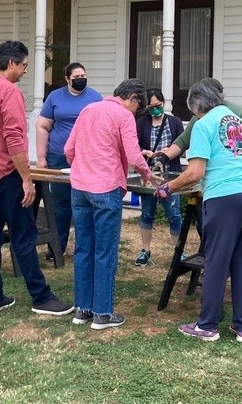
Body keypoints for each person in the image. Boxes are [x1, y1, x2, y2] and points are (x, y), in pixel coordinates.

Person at [154, 81, 242, 342]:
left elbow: (195, 173)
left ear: (195, 106)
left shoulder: (202, 125)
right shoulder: (236, 120)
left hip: (226, 198)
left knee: (216, 262)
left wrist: (168, 187)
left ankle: (207, 326)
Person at [0, 40, 73, 316]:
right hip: (6, 174)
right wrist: (26, 179)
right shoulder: (9, 92)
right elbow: (14, 139)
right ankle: (41, 297)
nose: (25, 71)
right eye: (24, 65)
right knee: (24, 235)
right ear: (11, 63)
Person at [64, 78, 161, 330]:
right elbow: (132, 153)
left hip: (79, 188)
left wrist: (83, 168)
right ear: (133, 99)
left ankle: (82, 310)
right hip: (106, 188)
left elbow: (69, 149)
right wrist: (147, 173)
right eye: (138, 107)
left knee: (83, 249)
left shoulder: (88, 109)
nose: (137, 112)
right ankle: (103, 314)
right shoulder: (123, 115)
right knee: (105, 251)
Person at [36, 62, 102, 257]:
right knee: (61, 205)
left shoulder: (95, 98)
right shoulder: (55, 97)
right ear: (67, 79)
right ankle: (56, 248)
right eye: (77, 77)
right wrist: (41, 158)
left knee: (85, 204)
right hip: (58, 156)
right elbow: (43, 126)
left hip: (86, 158)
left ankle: (85, 248)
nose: (81, 79)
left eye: (84, 75)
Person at [134, 87, 184, 266]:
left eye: (158, 105)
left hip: (171, 173)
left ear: (163, 103)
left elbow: (182, 144)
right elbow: (135, 145)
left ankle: (178, 252)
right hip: (149, 174)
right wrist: (145, 152)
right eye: (152, 106)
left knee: (174, 215)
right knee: (147, 213)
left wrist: (168, 152)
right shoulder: (142, 123)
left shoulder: (175, 121)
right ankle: (145, 250)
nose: (155, 108)